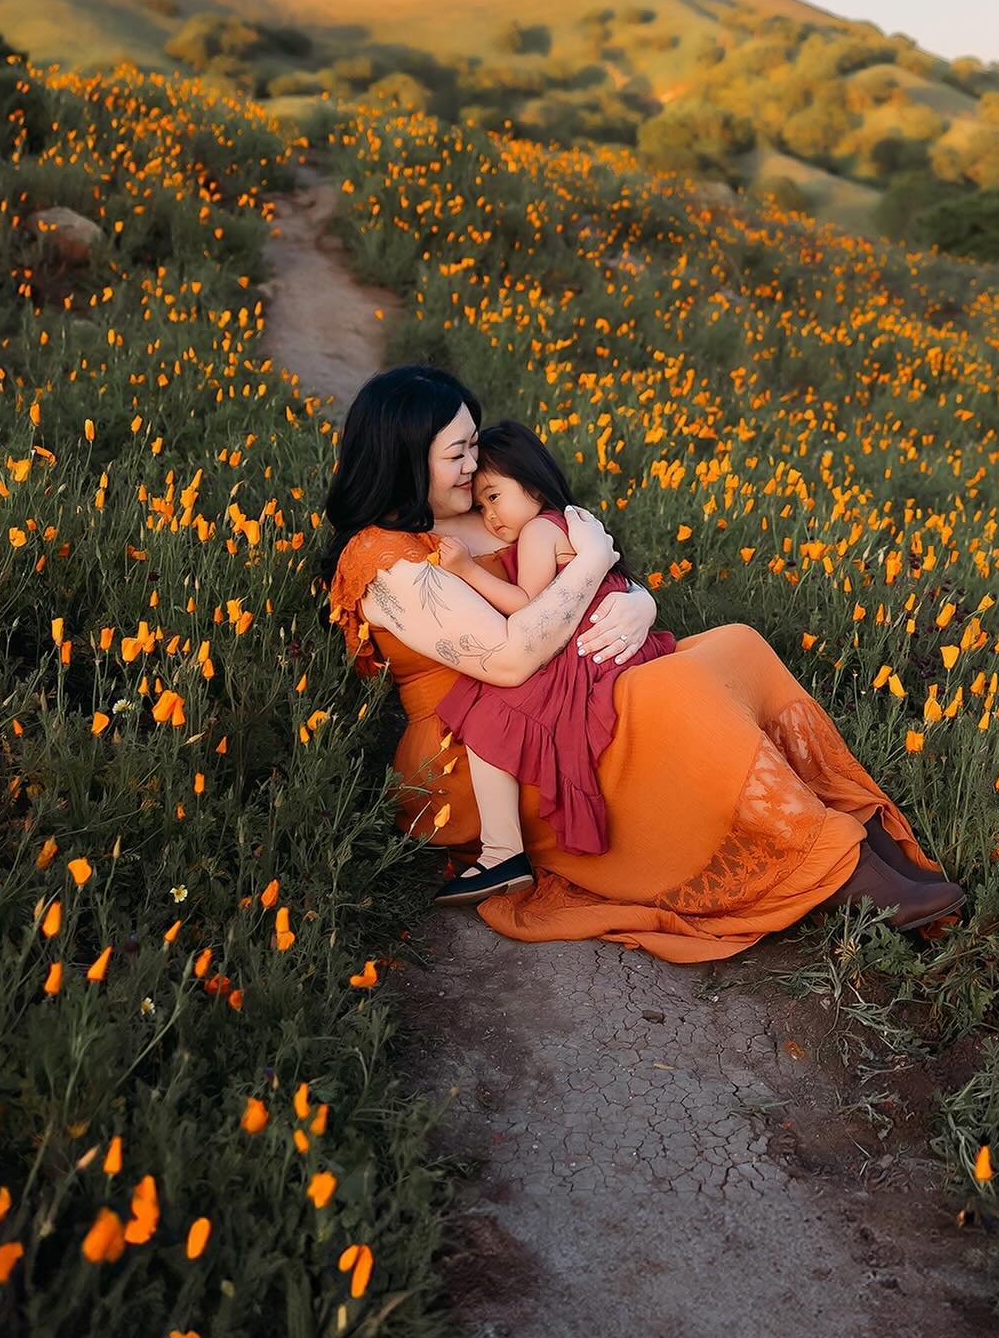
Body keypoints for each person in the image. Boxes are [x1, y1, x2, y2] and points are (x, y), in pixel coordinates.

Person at [319, 364, 963, 963]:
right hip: (477, 744)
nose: (472, 464)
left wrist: (640, 602)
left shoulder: (485, 513)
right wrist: (598, 564)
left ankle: (838, 822)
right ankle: (826, 866)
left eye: (473, 445)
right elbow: (510, 659)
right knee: (672, 691)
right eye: (454, 453)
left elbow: (574, 583)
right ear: (405, 458)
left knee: (736, 644)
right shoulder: (385, 560)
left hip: (561, 688)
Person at [431, 420, 679, 893]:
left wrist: (466, 570)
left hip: (583, 652)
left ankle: (501, 853)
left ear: (532, 483)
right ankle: (502, 854)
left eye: (495, 496)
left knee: (491, 716)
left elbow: (530, 605)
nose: (489, 515)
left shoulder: (539, 532)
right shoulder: (572, 521)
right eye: (482, 505)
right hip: (610, 642)